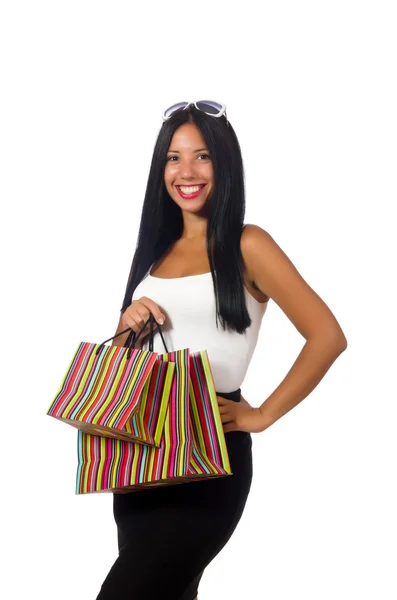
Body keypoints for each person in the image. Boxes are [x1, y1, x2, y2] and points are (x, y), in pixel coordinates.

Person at [96, 100, 348, 599]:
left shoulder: (247, 245)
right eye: (173, 157)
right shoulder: (155, 253)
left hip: (211, 457)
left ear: (224, 163)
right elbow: (123, 368)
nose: (185, 171)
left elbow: (327, 335)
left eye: (202, 156)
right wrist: (127, 326)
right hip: (141, 461)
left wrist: (263, 415)